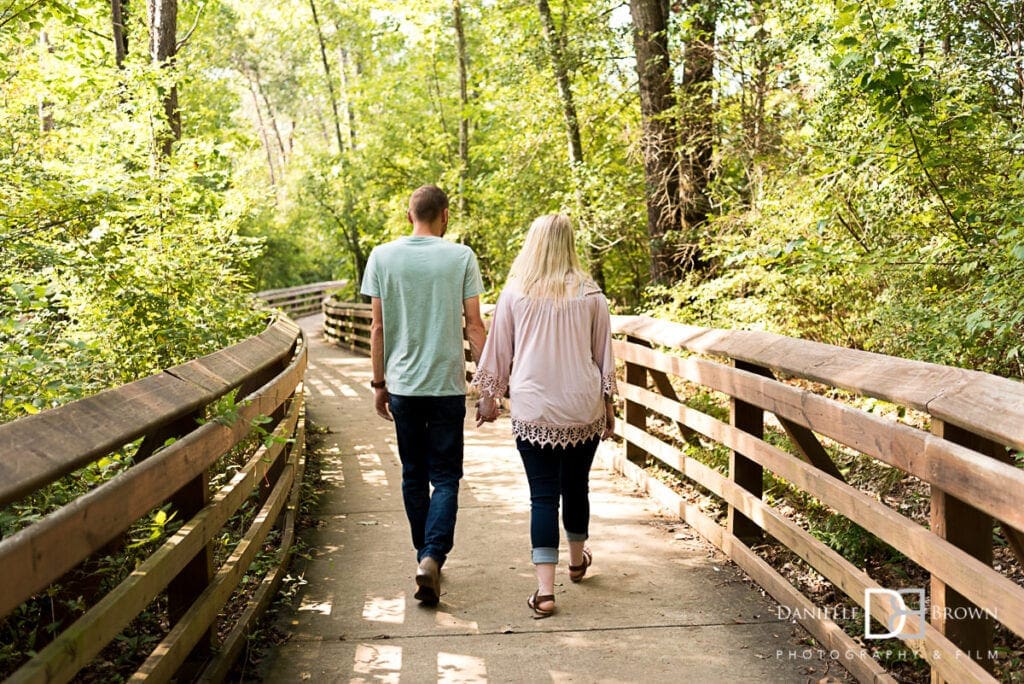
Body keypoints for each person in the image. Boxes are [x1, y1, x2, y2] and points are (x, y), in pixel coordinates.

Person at [473, 213, 616, 619]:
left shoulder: (515, 293)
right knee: (576, 487)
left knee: (542, 497)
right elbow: (604, 356)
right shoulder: (591, 295)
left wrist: (489, 398)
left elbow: (498, 350)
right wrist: (608, 409)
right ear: (570, 244)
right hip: (580, 407)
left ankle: (545, 592)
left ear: (533, 243)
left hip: (534, 408)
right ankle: (576, 562)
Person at [361, 184, 487, 606]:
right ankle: (432, 555)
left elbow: (377, 328)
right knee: (446, 476)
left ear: (407, 213)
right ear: (445, 216)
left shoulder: (382, 256)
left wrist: (379, 384)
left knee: (413, 474)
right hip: (446, 386)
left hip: (402, 386)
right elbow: (474, 326)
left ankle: (425, 557)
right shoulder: (461, 257)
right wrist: (489, 385)